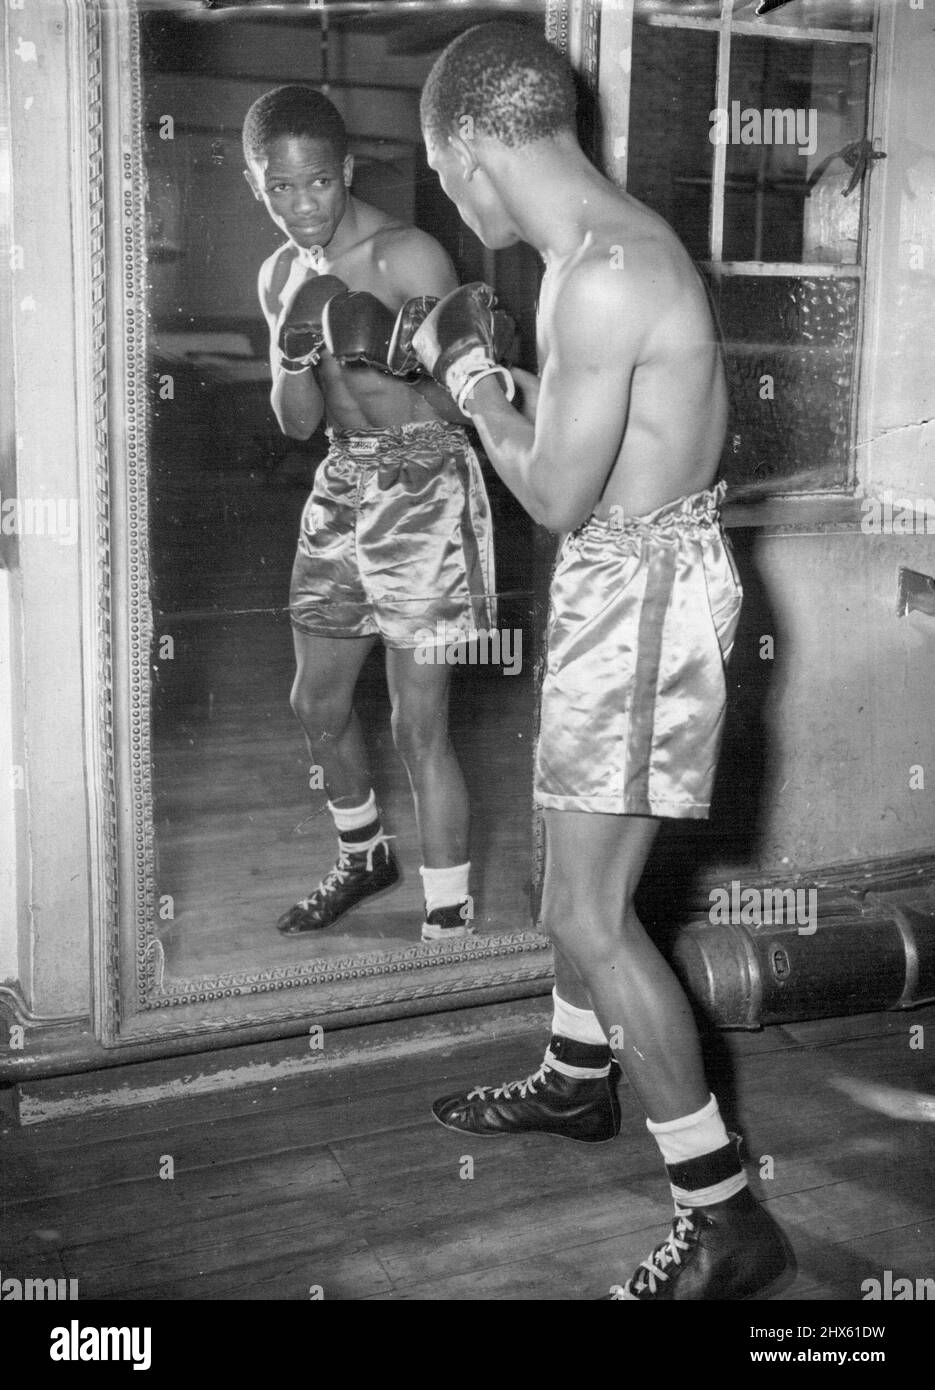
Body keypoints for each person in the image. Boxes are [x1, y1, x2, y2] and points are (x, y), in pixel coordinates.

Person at [414, 22, 791, 1299]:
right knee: (559, 868)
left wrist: (469, 380)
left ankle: (728, 1214)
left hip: (635, 591)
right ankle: (580, 1084)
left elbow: (556, 494)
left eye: (447, 178)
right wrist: (513, 385)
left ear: (469, 150)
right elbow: (593, 455)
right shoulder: (592, 255)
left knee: (586, 906)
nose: (461, 209)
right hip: (620, 583)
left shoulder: (601, 272)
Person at [243, 85, 499, 942]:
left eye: (315, 183)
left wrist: (394, 353)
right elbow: (298, 424)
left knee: (416, 719)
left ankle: (448, 916)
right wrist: (291, 345)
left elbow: (466, 409)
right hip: (340, 482)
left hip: (426, 483)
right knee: (314, 704)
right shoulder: (279, 274)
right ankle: (363, 857)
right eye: (278, 188)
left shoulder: (408, 255)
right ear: (257, 186)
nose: (300, 205)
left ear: (345, 171)